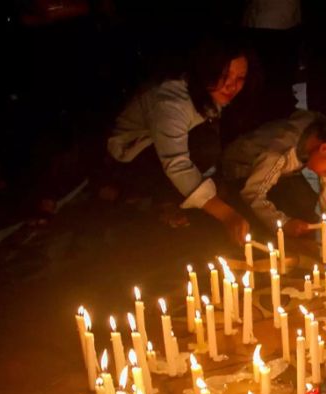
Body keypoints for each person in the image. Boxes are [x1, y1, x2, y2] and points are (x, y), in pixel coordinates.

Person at [106, 35, 250, 243]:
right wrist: (227, 215)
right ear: (206, 69)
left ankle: (170, 197)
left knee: (208, 143)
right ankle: (153, 198)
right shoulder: (171, 102)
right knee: (205, 144)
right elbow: (177, 163)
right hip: (128, 156)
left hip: (160, 149)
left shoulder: (206, 91)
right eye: (223, 75)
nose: (231, 86)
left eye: (240, 78)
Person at [222, 111, 326, 236]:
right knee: (254, 219)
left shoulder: (319, 137)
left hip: (278, 174)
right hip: (240, 173)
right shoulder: (279, 152)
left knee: (304, 201)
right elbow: (252, 193)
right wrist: (284, 224)